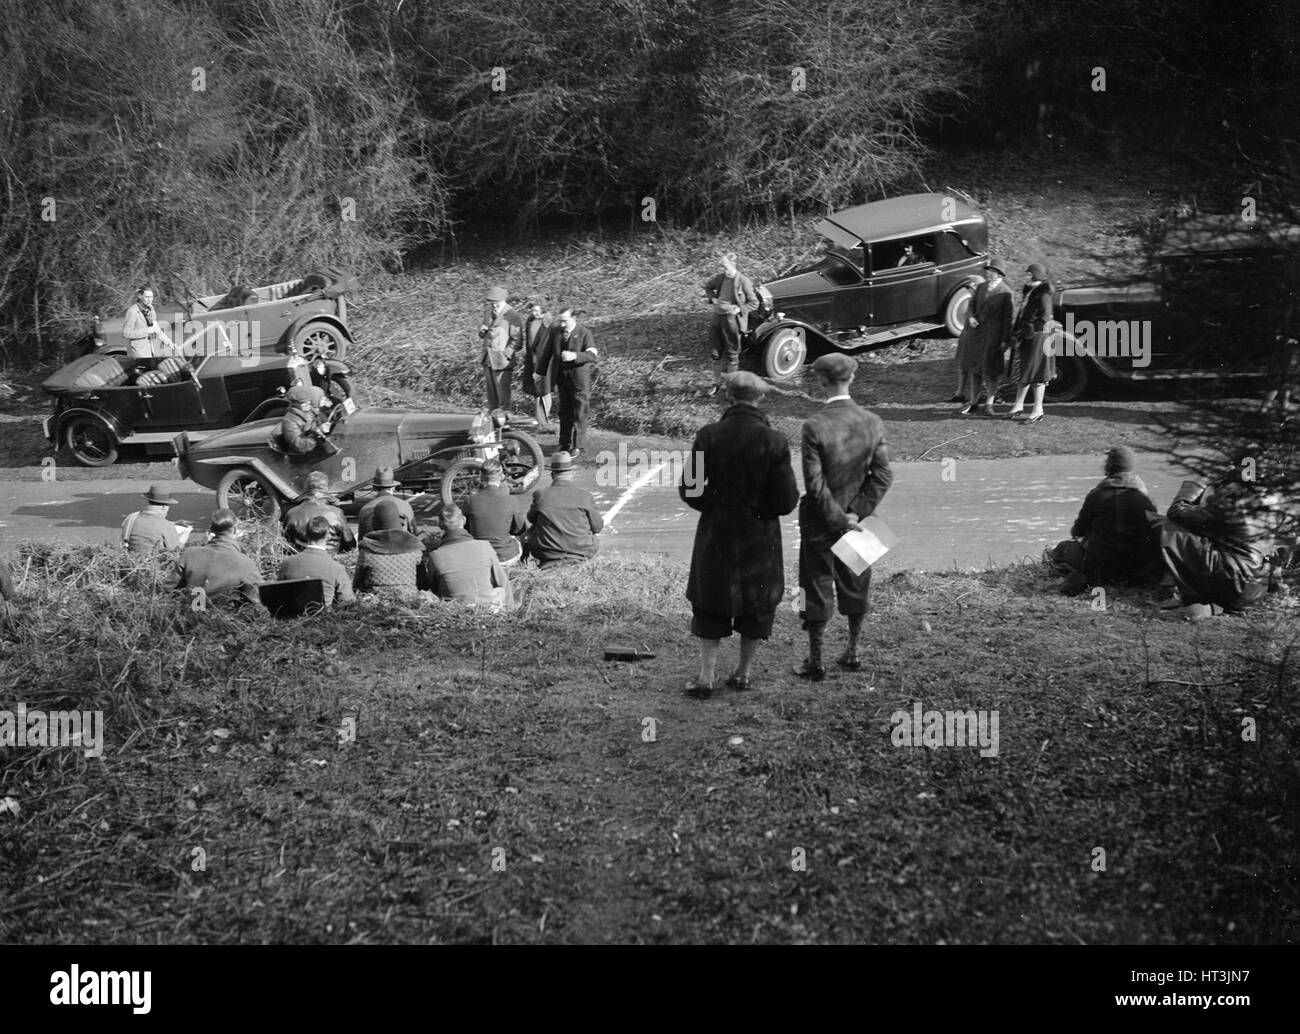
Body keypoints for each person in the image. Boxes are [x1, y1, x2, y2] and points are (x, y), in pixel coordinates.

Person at [680, 371, 799, 699]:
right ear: (760, 399)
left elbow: (690, 490)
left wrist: (715, 507)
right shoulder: (774, 441)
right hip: (759, 535)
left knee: (710, 600)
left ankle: (706, 676)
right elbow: (787, 500)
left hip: (716, 531)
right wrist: (760, 510)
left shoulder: (708, 436)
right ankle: (743, 673)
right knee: (757, 602)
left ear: (728, 397)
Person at [796, 353, 893, 680]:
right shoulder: (872, 421)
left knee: (815, 584)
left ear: (821, 381)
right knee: (857, 582)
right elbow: (882, 476)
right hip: (863, 519)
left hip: (820, 518)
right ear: (852, 379)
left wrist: (837, 517)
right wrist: (855, 514)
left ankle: (816, 661)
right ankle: (852, 652)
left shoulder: (814, 425)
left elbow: (814, 483)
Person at [1154, 461, 1275, 615]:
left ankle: (1180, 589)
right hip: (1254, 589)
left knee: (1171, 528)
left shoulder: (1227, 505)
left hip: (1232, 582)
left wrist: (1197, 484)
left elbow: (1177, 512)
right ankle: (1212, 604)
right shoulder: (1270, 505)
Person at [1053, 446, 1159, 595]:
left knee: (1062, 548)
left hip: (1101, 568)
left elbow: (1077, 531)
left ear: (1109, 466)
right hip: (1136, 569)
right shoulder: (1146, 499)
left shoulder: (1097, 495)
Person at [161, 508, 263, 610]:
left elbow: (168, 590)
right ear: (235, 530)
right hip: (224, 620)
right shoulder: (244, 563)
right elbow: (259, 601)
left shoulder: (189, 554)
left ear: (211, 530)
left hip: (189, 616)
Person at [425, 505, 515, 608]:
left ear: (440, 525)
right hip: (488, 607)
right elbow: (503, 582)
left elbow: (433, 587)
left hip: (455, 609)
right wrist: (510, 612)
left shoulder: (435, 556)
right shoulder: (484, 546)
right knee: (500, 590)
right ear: (464, 520)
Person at [955, 258, 1013, 416]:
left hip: (993, 335)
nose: (990, 274)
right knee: (974, 369)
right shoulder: (981, 287)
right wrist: (971, 317)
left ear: (1000, 274)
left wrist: (1004, 340)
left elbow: (1007, 319)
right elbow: (971, 306)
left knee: (991, 371)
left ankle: (989, 403)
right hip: (976, 334)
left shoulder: (1006, 292)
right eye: (989, 271)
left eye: (993, 272)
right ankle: (973, 402)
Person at [537, 308, 598, 458]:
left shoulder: (584, 333)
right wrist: (539, 373)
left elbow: (592, 355)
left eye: (565, 320)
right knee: (564, 412)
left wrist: (575, 356)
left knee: (579, 413)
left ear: (573, 317)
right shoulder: (556, 332)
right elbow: (547, 353)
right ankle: (564, 443)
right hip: (562, 379)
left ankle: (578, 446)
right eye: (560, 320)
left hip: (578, 381)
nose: (562, 324)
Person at [526, 451, 603, 567]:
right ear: (572, 474)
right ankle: (585, 563)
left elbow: (531, 519)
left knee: (533, 529)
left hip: (547, 552)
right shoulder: (585, 496)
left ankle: (528, 562)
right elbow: (597, 527)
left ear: (552, 475)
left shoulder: (540, 495)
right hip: (580, 551)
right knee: (593, 536)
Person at [1007, 262, 1056, 423]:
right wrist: (1017, 332)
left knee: (1037, 375)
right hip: (1027, 338)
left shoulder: (1044, 295)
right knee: (1025, 372)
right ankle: (1018, 405)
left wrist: (1025, 331)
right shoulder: (1030, 291)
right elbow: (1023, 314)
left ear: (1035, 276)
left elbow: (1044, 319)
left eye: (1029, 274)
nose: (1026, 276)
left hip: (1039, 338)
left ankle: (1037, 410)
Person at [702, 252, 760, 385]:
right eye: (722, 267)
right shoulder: (720, 278)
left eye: (725, 267)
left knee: (732, 355)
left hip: (732, 321)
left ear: (733, 265)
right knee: (715, 353)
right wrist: (713, 299)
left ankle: (730, 385)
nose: (723, 270)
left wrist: (740, 309)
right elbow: (708, 287)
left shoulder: (743, 281)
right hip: (717, 318)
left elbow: (754, 303)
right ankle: (716, 383)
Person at [353, 498, 424, 600]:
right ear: (400, 521)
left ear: (374, 523)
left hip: (376, 601)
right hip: (409, 599)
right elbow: (423, 583)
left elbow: (357, 585)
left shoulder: (367, 550)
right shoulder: (415, 549)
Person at [276, 515, 355, 607]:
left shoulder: (287, 563)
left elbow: (279, 594)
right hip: (323, 618)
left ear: (305, 534)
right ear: (328, 535)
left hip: (290, 616)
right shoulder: (337, 568)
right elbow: (347, 600)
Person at [463, 458, 528, 565]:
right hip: (506, 557)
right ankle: (523, 563)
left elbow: (465, 529)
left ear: (481, 476)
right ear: (502, 476)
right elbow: (520, 530)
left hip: (479, 557)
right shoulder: (511, 500)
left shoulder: (470, 500)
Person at [283, 471, 356, 554]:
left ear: (305, 488)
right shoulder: (336, 513)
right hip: (330, 559)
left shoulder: (292, 513)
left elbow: (284, 543)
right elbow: (350, 544)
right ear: (326, 489)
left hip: (300, 558)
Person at [479, 286, 523, 413]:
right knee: (491, 394)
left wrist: (506, 355)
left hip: (502, 361)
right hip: (487, 358)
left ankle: (505, 421)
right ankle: (492, 420)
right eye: (491, 303)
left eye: (495, 303)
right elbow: (484, 331)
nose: (493, 306)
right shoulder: (487, 311)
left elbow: (518, 340)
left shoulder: (512, 314)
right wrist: (481, 332)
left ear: (502, 301)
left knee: (503, 395)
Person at [520, 299, 555, 432]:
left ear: (543, 310)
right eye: (532, 310)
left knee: (545, 391)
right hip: (532, 361)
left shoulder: (550, 323)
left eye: (536, 310)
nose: (533, 312)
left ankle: (543, 422)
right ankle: (541, 421)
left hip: (546, 362)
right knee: (537, 392)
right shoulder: (529, 322)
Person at [121, 484, 186, 555]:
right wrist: (185, 534)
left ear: (149, 501)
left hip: (133, 558)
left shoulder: (131, 517)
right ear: (165, 506)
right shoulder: (165, 525)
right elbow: (175, 550)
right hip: (155, 562)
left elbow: (124, 539)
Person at [357, 467, 416, 538]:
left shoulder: (365, 509)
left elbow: (361, 538)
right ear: (393, 487)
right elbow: (414, 532)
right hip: (401, 546)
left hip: (374, 548)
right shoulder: (405, 505)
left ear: (374, 488)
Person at [122, 286, 175, 360]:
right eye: (147, 297)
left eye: (151, 297)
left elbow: (156, 330)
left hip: (149, 351)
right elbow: (126, 333)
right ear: (139, 296)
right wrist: (147, 331)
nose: (150, 299)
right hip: (138, 354)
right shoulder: (132, 311)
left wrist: (170, 344)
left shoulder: (150, 309)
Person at [278, 384, 328, 455]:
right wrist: (317, 434)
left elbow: (320, 422)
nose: (308, 404)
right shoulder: (289, 421)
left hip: (319, 449)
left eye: (309, 401)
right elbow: (298, 446)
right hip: (305, 458)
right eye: (304, 403)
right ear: (295, 404)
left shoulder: (310, 411)